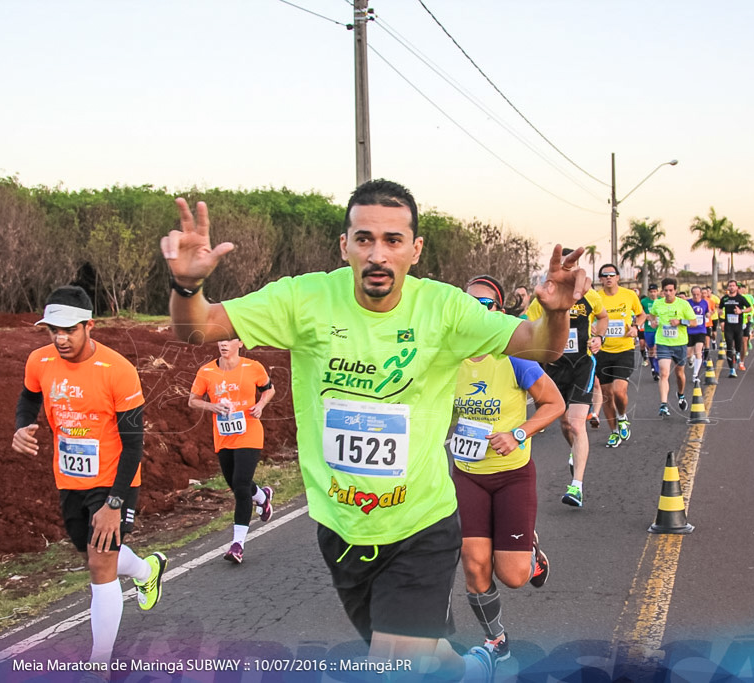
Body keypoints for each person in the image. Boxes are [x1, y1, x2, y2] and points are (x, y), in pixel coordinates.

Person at [160, 179, 587, 680]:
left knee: (393, 665)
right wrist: (187, 287)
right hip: (340, 527)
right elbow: (195, 330)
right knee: (421, 656)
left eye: (392, 240)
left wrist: (557, 315)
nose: (377, 254)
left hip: (421, 526)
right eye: (364, 239)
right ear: (345, 247)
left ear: (415, 250)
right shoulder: (305, 299)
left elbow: (540, 347)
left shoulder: (445, 309)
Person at [12, 286, 167, 673]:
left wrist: (115, 504)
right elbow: (29, 398)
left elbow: (134, 446)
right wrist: (22, 426)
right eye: (53, 330)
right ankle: (148, 571)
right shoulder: (40, 361)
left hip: (115, 477)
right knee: (97, 556)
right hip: (69, 479)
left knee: (100, 565)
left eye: (69, 330)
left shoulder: (118, 371)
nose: (60, 338)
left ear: (89, 326)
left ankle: (100, 664)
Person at [451, 275, 565, 663]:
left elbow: (554, 404)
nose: (475, 312)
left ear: (497, 312)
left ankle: (531, 554)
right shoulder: (448, 360)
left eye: (485, 305)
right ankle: (496, 639)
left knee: (514, 575)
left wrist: (518, 432)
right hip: (467, 473)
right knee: (474, 563)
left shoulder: (514, 358)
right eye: (468, 305)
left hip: (512, 473)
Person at [525, 250, 608, 508]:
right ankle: (576, 452)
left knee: (576, 423)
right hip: (556, 365)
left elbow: (603, 317)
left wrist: (599, 338)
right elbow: (529, 326)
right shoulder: (543, 299)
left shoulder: (589, 296)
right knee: (563, 423)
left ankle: (577, 487)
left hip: (582, 363)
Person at [189, 338, 277, 564]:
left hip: (249, 433)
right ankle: (262, 497)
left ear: (240, 343)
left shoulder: (253, 367)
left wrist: (260, 405)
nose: (223, 344)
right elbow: (193, 400)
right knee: (236, 483)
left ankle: (238, 544)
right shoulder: (207, 371)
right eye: (220, 340)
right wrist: (212, 406)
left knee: (240, 484)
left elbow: (269, 389)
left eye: (229, 340)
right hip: (224, 436)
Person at [594, 264, 645, 448]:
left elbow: (641, 315)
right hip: (603, 351)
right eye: (604, 275)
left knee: (618, 391)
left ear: (617, 277)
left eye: (611, 275)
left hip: (624, 349)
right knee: (607, 395)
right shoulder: (595, 297)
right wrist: (592, 330)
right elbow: (589, 319)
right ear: (600, 279)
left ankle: (622, 417)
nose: (608, 278)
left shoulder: (629, 295)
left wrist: (635, 327)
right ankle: (614, 432)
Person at [648, 278, 696, 416]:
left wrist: (680, 321)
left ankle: (680, 394)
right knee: (663, 373)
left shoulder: (683, 304)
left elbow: (694, 322)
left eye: (671, 290)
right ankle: (664, 404)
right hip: (663, 343)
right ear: (662, 291)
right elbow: (650, 316)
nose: (668, 293)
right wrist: (652, 322)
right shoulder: (658, 303)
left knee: (680, 374)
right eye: (666, 290)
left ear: (675, 290)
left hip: (680, 343)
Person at [718, 280, 752, 378]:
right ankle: (732, 369)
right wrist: (722, 319)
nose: (732, 287)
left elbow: (750, 308)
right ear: (728, 288)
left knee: (738, 345)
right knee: (729, 346)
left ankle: (737, 354)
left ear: (737, 288)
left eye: (733, 286)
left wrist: (741, 311)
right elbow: (720, 309)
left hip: (738, 326)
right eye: (730, 286)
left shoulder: (741, 298)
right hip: (728, 326)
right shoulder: (724, 299)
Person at [686, 286, 711, 381]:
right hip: (689, 330)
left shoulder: (704, 303)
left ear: (701, 294)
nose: (696, 296)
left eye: (698, 294)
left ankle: (695, 375)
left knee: (698, 351)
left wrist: (709, 314)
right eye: (694, 294)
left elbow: (707, 312)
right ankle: (691, 359)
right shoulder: (688, 303)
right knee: (688, 355)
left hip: (701, 330)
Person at [640, 283, 661, 381]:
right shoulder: (644, 301)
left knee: (656, 349)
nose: (653, 294)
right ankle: (653, 368)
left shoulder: (661, 301)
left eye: (655, 291)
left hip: (659, 329)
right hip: (648, 329)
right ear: (648, 292)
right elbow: (639, 312)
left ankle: (657, 371)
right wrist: (646, 316)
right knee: (651, 349)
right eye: (651, 292)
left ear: (658, 292)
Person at [738, 282, 754, 370]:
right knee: (735, 340)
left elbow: (752, 308)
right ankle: (736, 353)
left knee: (744, 340)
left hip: (745, 321)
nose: (739, 289)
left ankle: (742, 361)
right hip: (734, 322)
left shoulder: (748, 297)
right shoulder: (731, 298)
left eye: (740, 288)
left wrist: (750, 315)